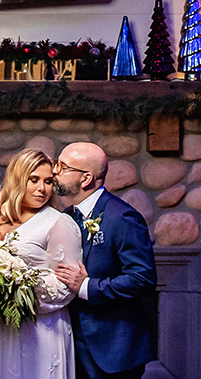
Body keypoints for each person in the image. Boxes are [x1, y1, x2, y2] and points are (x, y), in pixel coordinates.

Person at [0, 149, 81, 378]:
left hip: (37, 330)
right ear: (17, 180)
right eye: (33, 180)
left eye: (48, 181)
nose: (42, 189)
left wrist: (15, 289)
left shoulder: (59, 223)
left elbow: (65, 287)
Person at [51, 141, 157, 379]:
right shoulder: (67, 217)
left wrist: (87, 286)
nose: (55, 171)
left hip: (114, 348)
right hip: (73, 343)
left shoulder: (123, 217)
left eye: (63, 166)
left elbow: (143, 278)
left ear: (86, 179)